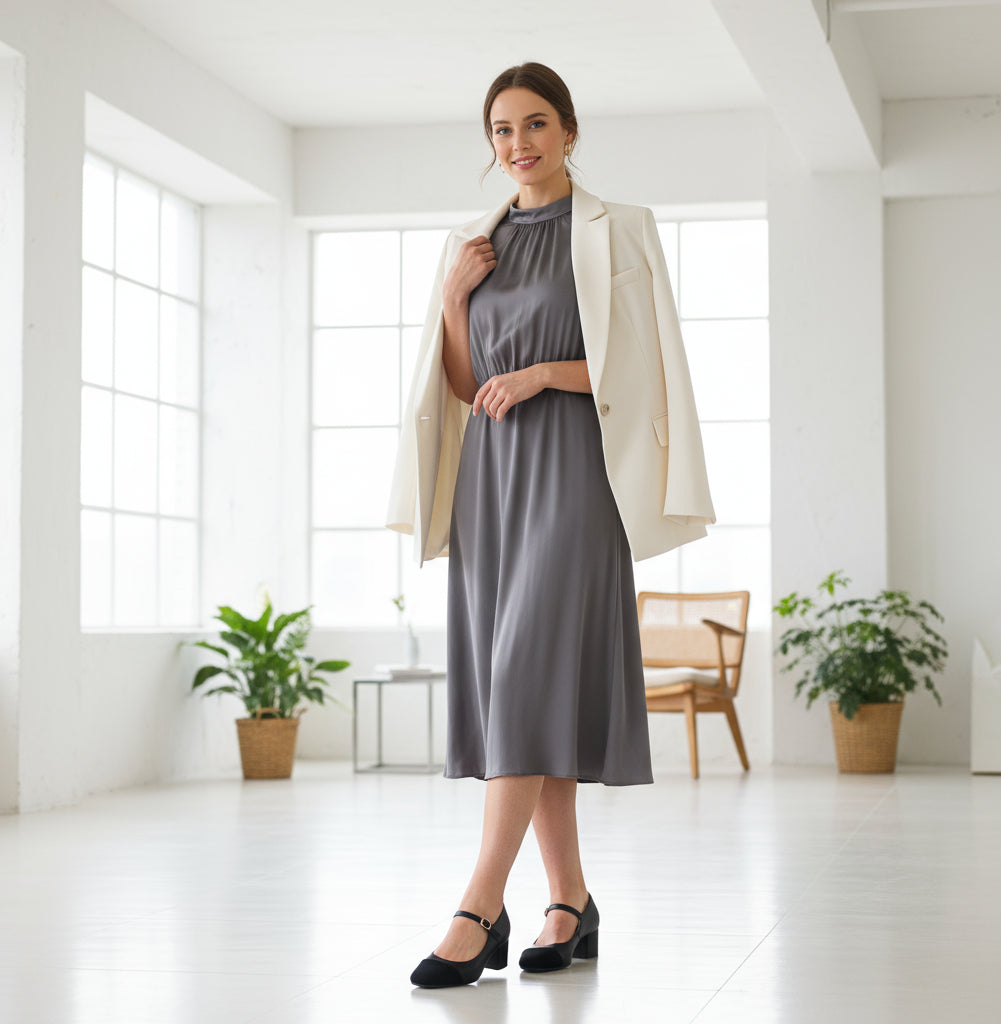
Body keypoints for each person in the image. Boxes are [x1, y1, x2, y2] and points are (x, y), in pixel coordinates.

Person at [386, 62, 714, 989]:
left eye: (535, 124)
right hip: (491, 485)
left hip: (577, 474)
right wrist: (455, 299)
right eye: (500, 131)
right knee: (530, 695)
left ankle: (477, 906)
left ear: (569, 129)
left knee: (527, 679)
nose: (518, 144)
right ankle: (569, 900)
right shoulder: (472, 241)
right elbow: (459, 385)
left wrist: (541, 375)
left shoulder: (620, 231)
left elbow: (639, 371)